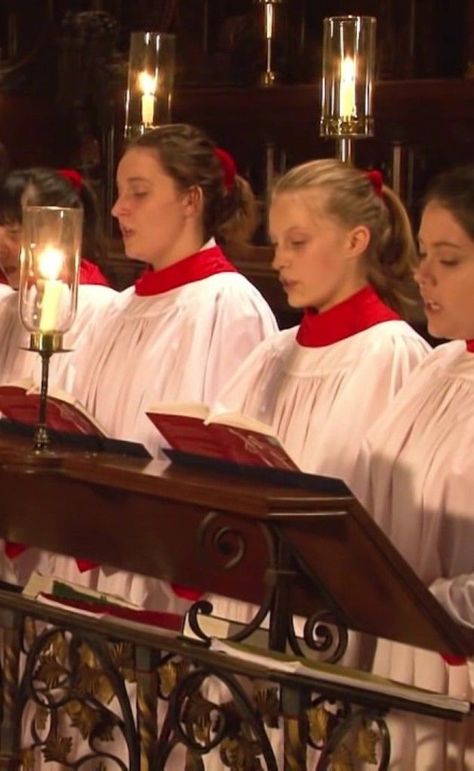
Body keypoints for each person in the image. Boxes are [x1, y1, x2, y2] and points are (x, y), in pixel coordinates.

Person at [353, 164, 474, 769]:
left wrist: (441, 604)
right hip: (402, 651)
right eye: (424, 254)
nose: (423, 274)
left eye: (448, 260)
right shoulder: (437, 366)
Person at [0, 166, 116, 386]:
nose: (1, 247)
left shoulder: (96, 307)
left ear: (59, 229)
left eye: (14, 231)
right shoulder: (10, 302)